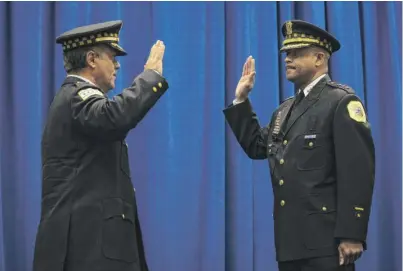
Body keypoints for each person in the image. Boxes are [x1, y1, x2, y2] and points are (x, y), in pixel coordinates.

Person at [223, 20, 375, 271]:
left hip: (328, 243)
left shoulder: (340, 102)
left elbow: (358, 171)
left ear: (318, 58)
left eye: (296, 53)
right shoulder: (285, 110)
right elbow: (257, 147)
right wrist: (241, 100)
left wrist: (352, 232)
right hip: (290, 243)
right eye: (286, 54)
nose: (287, 59)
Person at [33, 20, 168, 271]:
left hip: (90, 246)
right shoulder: (77, 96)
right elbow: (113, 117)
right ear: (92, 59)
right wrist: (150, 77)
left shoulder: (74, 98)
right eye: (112, 56)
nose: (117, 64)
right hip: (86, 249)